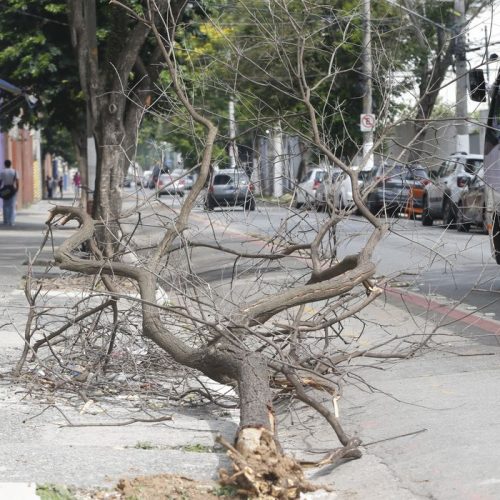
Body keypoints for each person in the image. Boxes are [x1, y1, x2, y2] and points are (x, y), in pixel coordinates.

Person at [0, 159, 19, 226]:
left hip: (5, 189)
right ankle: (11, 221)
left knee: (5, 205)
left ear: (5, 164)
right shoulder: (14, 171)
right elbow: (17, 181)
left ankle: (6, 221)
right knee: (12, 206)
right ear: (10, 164)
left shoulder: (2, 172)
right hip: (12, 189)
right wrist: (17, 189)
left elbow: (0, 182)